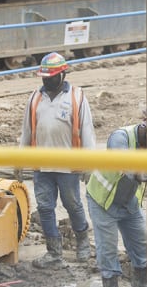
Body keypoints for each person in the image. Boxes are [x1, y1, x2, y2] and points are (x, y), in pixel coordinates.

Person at [20, 52, 94, 268]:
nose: (46, 81)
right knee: (44, 208)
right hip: (42, 166)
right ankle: (54, 253)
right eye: (44, 77)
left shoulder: (76, 98)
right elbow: (26, 130)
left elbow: (87, 131)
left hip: (68, 166)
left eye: (50, 77)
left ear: (62, 75)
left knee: (72, 205)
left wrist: (89, 163)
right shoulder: (35, 98)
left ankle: (83, 242)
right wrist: (19, 158)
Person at [85, 116, 147, 287]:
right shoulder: (120, 137)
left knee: (142, 243)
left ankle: (140, 286)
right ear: (145, 125)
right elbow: (123, 163)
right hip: (103, 202)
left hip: (128, 203)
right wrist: (138, 174)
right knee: (108, 248)